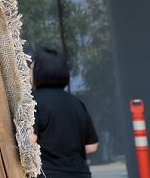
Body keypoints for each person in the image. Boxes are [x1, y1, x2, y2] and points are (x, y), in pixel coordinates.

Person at [31, 47, 99, 178]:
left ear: (40, 72)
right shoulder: (76, 103)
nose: (29, 72)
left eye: (32, 68)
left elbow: (30, 140)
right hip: (80, 173)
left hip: (48, 173)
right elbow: (92, 146)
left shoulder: (33, 102)